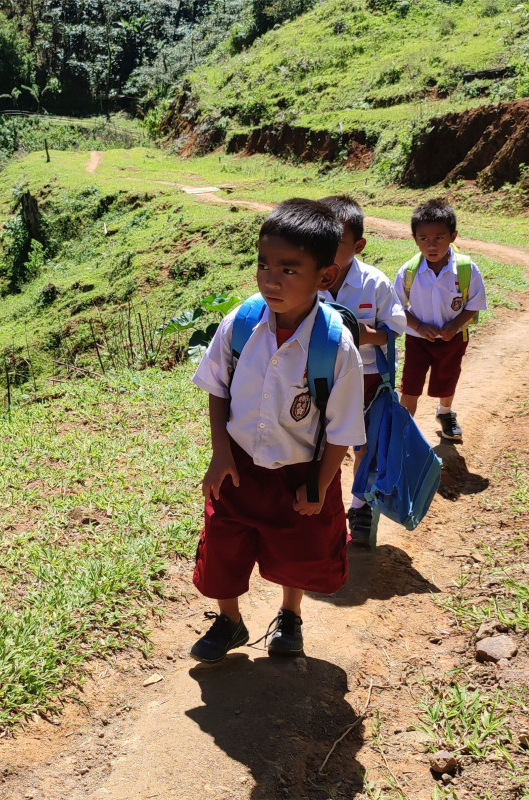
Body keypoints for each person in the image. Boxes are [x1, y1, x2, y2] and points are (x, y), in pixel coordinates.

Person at [189, 198, 366, 662]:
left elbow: (343, 427)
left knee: (299, 551)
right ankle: (228, 621)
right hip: (240, 465)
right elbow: (217, 388)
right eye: (263, 265)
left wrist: (320, 484)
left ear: (324, 278)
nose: (271, 279)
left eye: (289, 270)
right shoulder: (243, 322)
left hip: (300, 471)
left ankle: (290, 616)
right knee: (222, 547)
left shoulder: (334, 345)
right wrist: (220, 453)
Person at [318, 195, 407, 546]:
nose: (325, 249)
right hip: (321, 377)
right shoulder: (308, 278)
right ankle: (325, 510)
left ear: (358, 246)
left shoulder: (375, 282)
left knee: (364, 447)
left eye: (335, 242)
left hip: (368, 379)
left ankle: (360, 506)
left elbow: (394, 328)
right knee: (322, 444)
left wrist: (361, 334)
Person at [393, 199, 487, 443]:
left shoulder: (466, 269)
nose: (431, 245)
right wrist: (419, 326)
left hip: (452, 339)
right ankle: (403, 430)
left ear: (453, 236)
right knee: (410, 384)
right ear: (414, 239)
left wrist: (455, 325)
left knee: (447, 379)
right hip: (417, 341)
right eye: (423, 238)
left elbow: (474, 304)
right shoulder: (409, 272)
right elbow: (396, 307)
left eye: (439, 238)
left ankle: (445, 413)